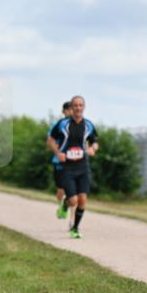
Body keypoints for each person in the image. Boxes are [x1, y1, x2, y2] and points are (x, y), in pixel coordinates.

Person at [47, 96, 98, 238]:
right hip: (67, 168)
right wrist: (58, 153)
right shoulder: (62, 124)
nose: (78, 108)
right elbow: (51, 140)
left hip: (83, 166)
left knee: (82, 200)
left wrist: (93, 148)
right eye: (75, 105)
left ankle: (75, 229)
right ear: (72, 107)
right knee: (73, 200)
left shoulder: (88, 125)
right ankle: (65, 203)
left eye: (80, 105)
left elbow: (95, 142)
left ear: (84, 107)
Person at [52, 101, 73, 218]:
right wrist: (58, 153)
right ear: (63, 111)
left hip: (74, 162)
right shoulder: (58, 125)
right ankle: (61, 206)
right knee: (61, 188)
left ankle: (67, 208)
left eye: (72, 109)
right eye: (68, 109)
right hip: (59, 161)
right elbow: (50, 141)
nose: (71, 112)